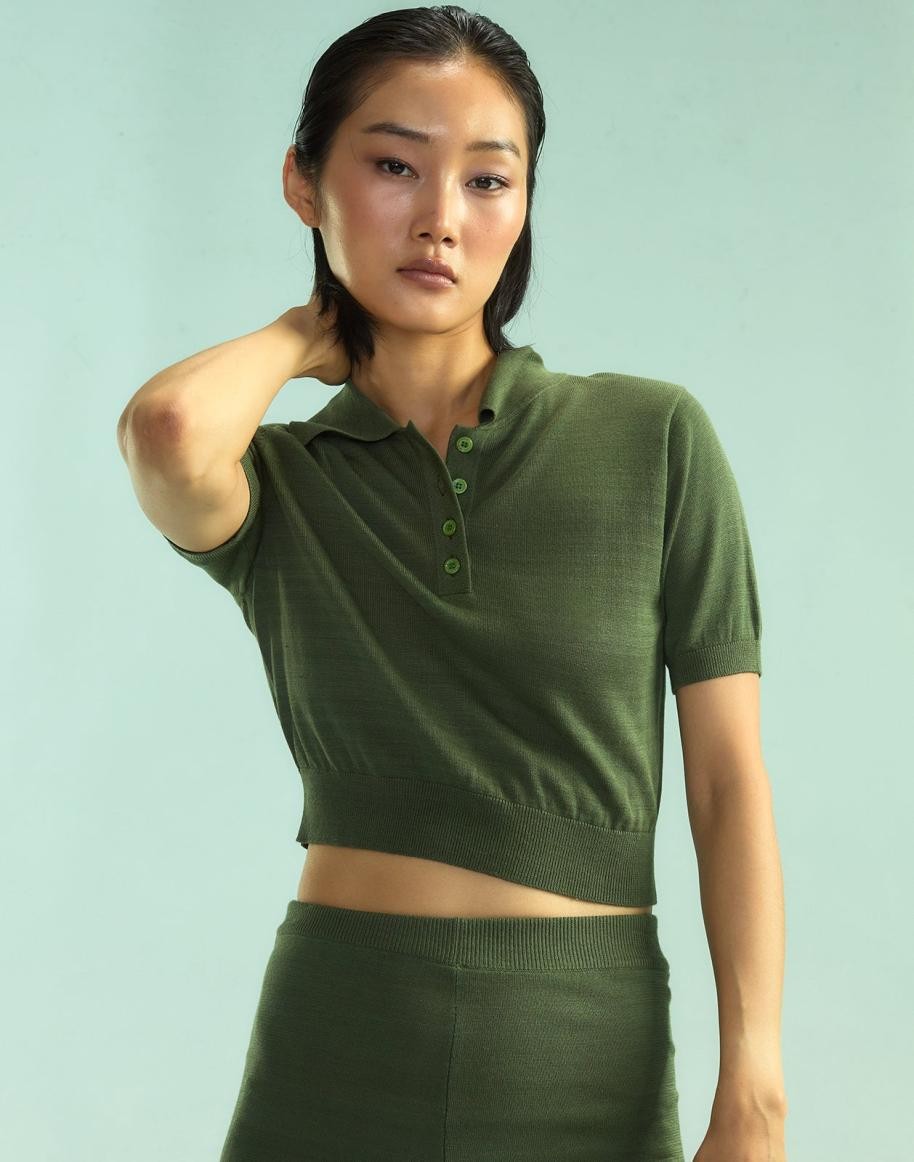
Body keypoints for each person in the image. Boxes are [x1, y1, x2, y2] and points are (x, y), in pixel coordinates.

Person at [117, 6, 787, 1160]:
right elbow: (168, 430)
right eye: (393, 166)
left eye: (486, 180)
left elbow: (726, 783)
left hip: (583, 1050)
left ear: (522, 207)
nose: (439, 218)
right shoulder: (281, 487)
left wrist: (755, 1093)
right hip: (334, 1047)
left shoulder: (651, 439)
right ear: (303, 181)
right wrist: (303, 333)